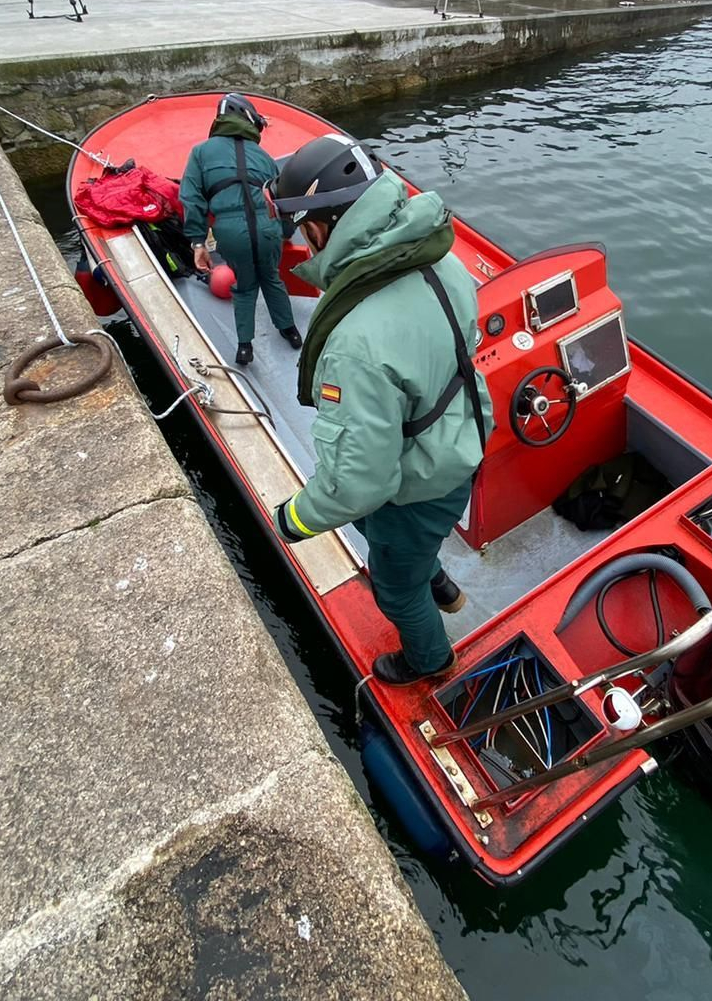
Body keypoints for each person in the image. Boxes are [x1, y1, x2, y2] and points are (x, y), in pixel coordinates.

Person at [269, 135, 494, 686]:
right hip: (459, 447)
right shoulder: (445, 263)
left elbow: (359, 484)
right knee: (407, 544)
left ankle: (430, 660)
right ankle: (438, 580)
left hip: (415, 486)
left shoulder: (355, 342)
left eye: (304, 229)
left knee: (395, 585)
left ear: (320, 227)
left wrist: (293, 520)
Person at [181, 94, 302, 366]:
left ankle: (245, 348)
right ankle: (291, 332)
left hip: (230, 230)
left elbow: (191, 198)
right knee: (272, 278)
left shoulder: (200, 153)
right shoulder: (264, 156)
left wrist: (198, 242)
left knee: (245, 287)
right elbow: (282, 200)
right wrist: (285, 231)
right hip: (267, 227)